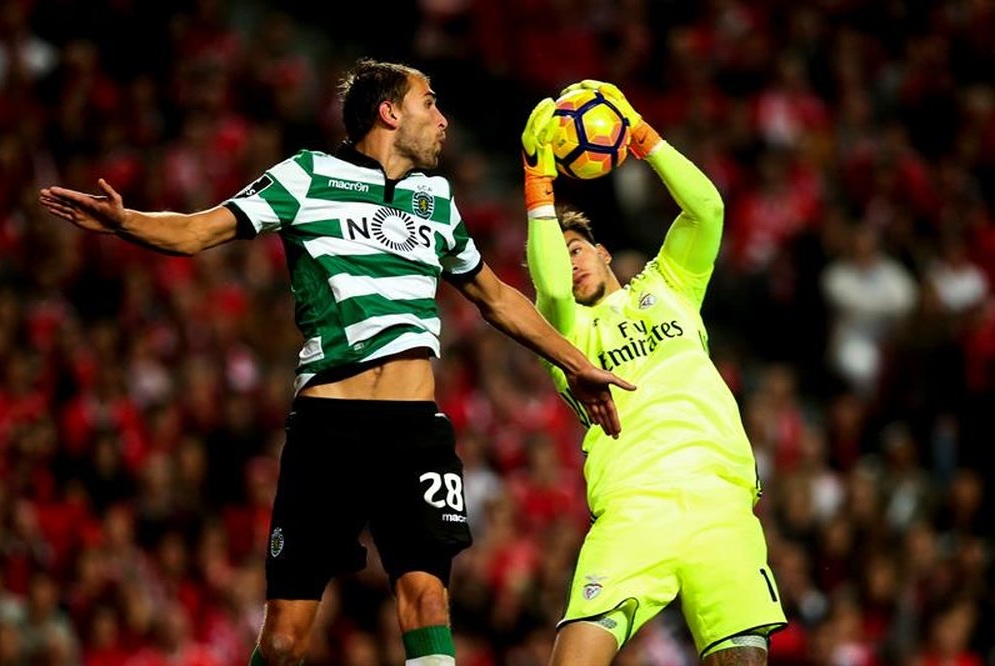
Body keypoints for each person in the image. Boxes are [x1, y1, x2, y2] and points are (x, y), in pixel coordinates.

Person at [38, 58, 635, 666]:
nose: (444, 121)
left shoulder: (436, 199)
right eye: (431, 103)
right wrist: (125, 221)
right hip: (329, 432)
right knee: (285, 640)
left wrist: (575, 362)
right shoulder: (305, 176)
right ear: (389, 111)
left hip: (413, 433)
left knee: (427, 601)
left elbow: (496, 297)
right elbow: (197, 231)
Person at [519, 81, 787, 665]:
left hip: (721, 499)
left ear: (604, 251)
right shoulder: (565, 336)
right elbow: (551, 287)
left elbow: (707, 208)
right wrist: (537, 185)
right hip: (635, 506)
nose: (568, 259)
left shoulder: (670, 287)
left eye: (577, 247)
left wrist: (642, 136)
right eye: (557, 253)